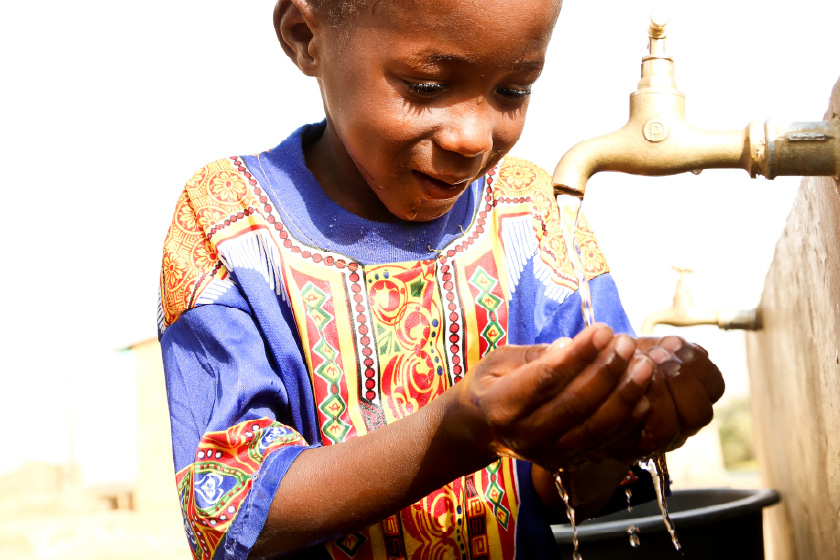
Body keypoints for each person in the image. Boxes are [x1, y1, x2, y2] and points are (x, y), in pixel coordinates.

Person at [158, 1, 725, 558]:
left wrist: (631, 415)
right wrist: (455, 431)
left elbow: (573, 493)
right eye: (427, 87)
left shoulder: (525, 211)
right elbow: (227, 512)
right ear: (306, 35)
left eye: (513, 91)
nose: (473, 138)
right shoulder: (231, 224)